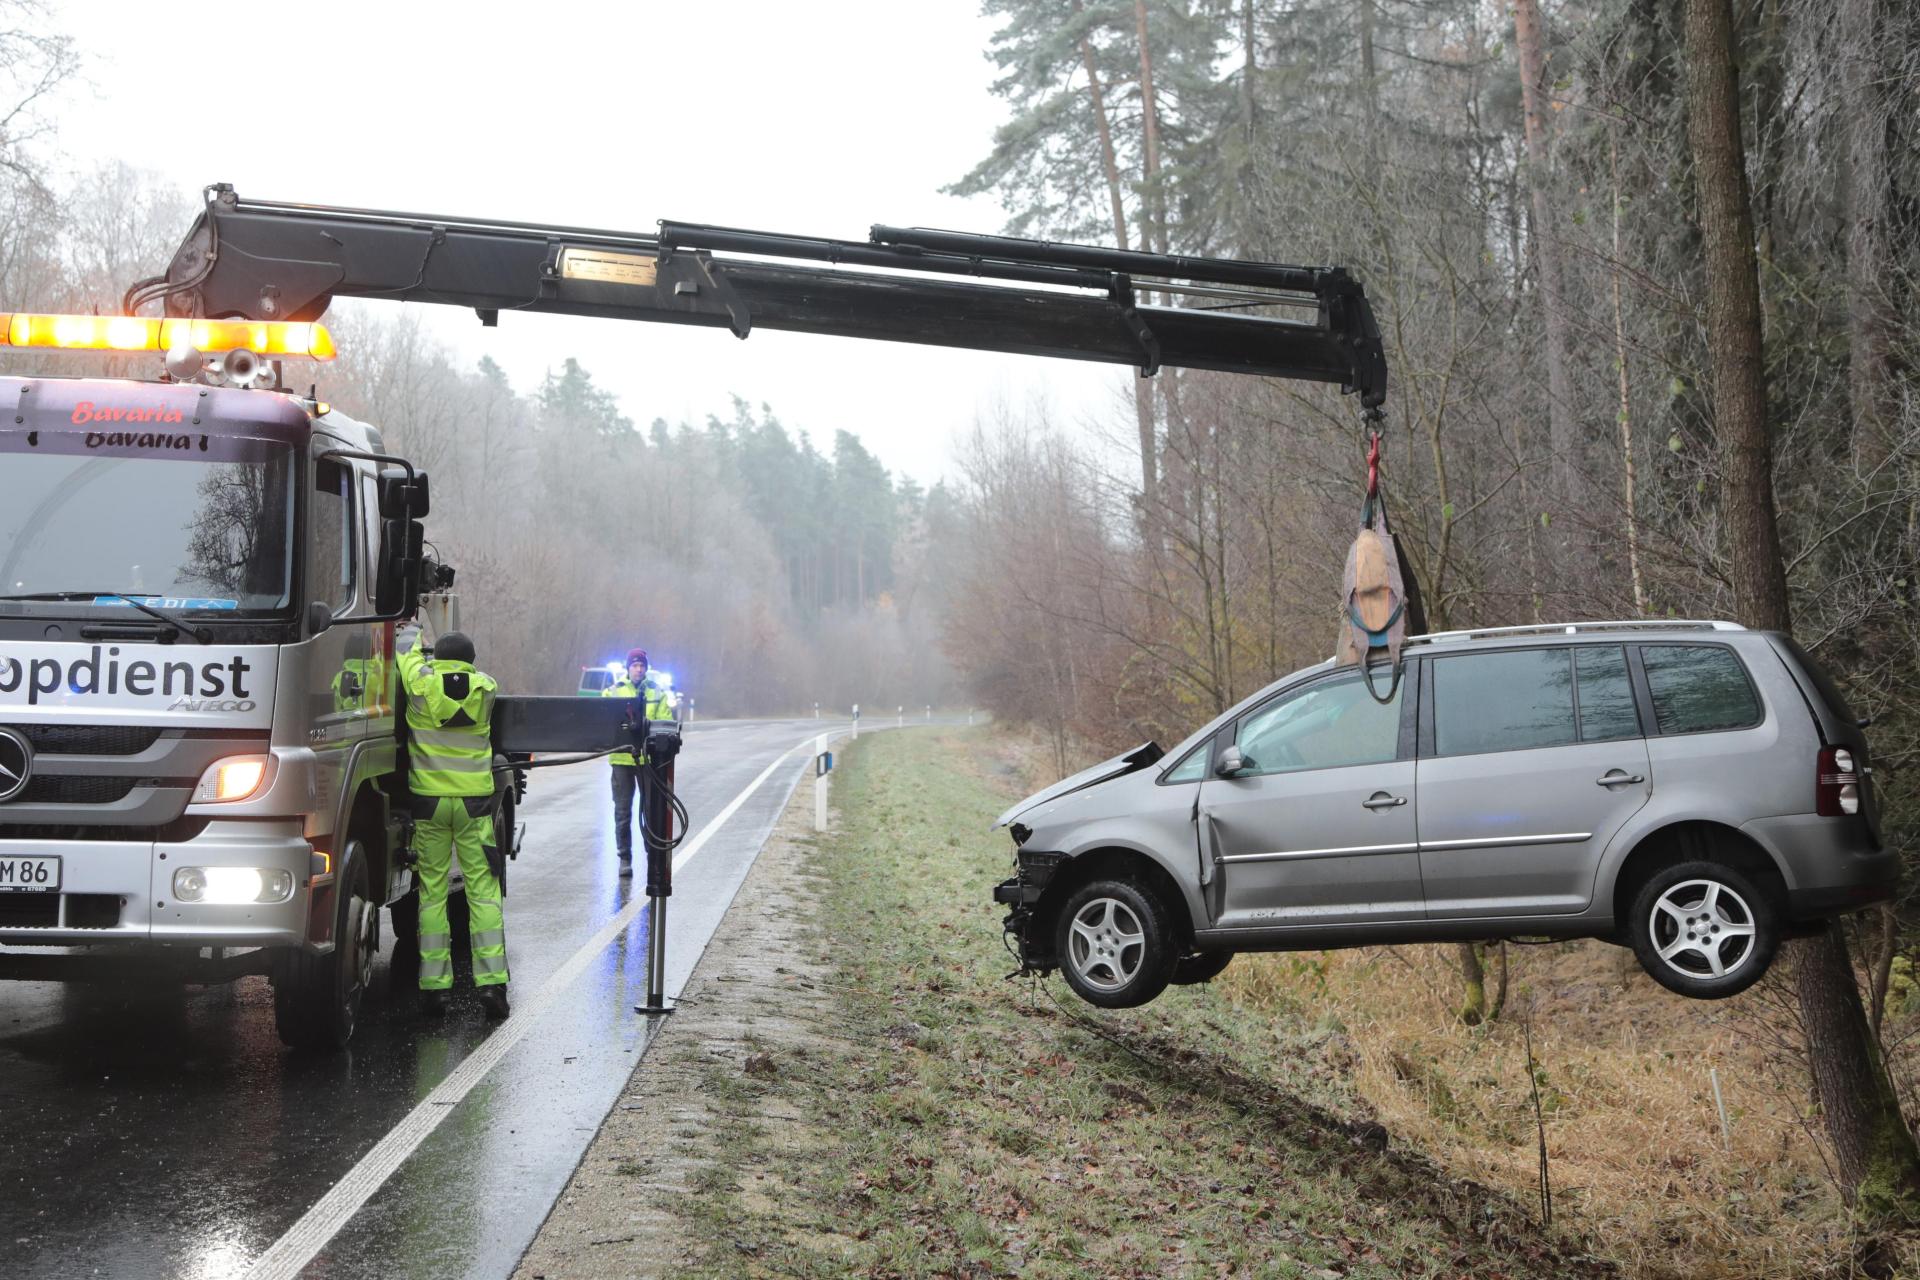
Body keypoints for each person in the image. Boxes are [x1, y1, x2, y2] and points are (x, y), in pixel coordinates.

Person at [398, 627, 509, 1020]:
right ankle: (492, 983)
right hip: (474, 806)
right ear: (470, 660)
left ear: (438, 658)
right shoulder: (486, 688)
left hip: (429, 805)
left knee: (432, 893)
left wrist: (410, 634)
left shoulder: (419, 682)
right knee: (482, 893)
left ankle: (434, 989)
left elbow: (405, 657)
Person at [603, 647, 673, 876]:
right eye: (634, 665)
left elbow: (666, 724)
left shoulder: (657, 692)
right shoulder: (613, 692)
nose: (638, 669)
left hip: (648, 761)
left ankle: (651, 856)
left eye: (642, 665)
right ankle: (625, 858)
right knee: (622, 812)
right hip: (622, 760)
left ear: (646, 668)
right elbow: (600, 721)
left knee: (651, 811)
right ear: (628, 667)